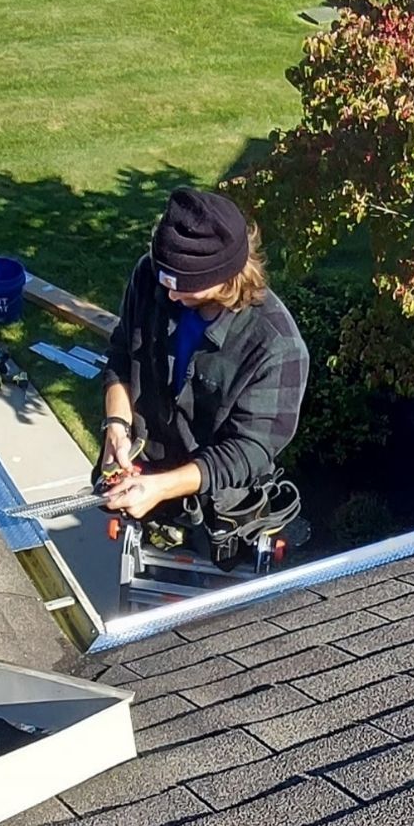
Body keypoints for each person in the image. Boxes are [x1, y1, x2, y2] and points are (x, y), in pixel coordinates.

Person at [100, 187, 309, 554]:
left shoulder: (277, 348)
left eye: (181, 287)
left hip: (217, 509)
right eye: (163, 279)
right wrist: (116, 428)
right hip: (145, 475)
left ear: (224, 277)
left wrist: (163, 487)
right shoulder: (151, 280)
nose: (168, 296)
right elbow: (121, 353)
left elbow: (250, 449)